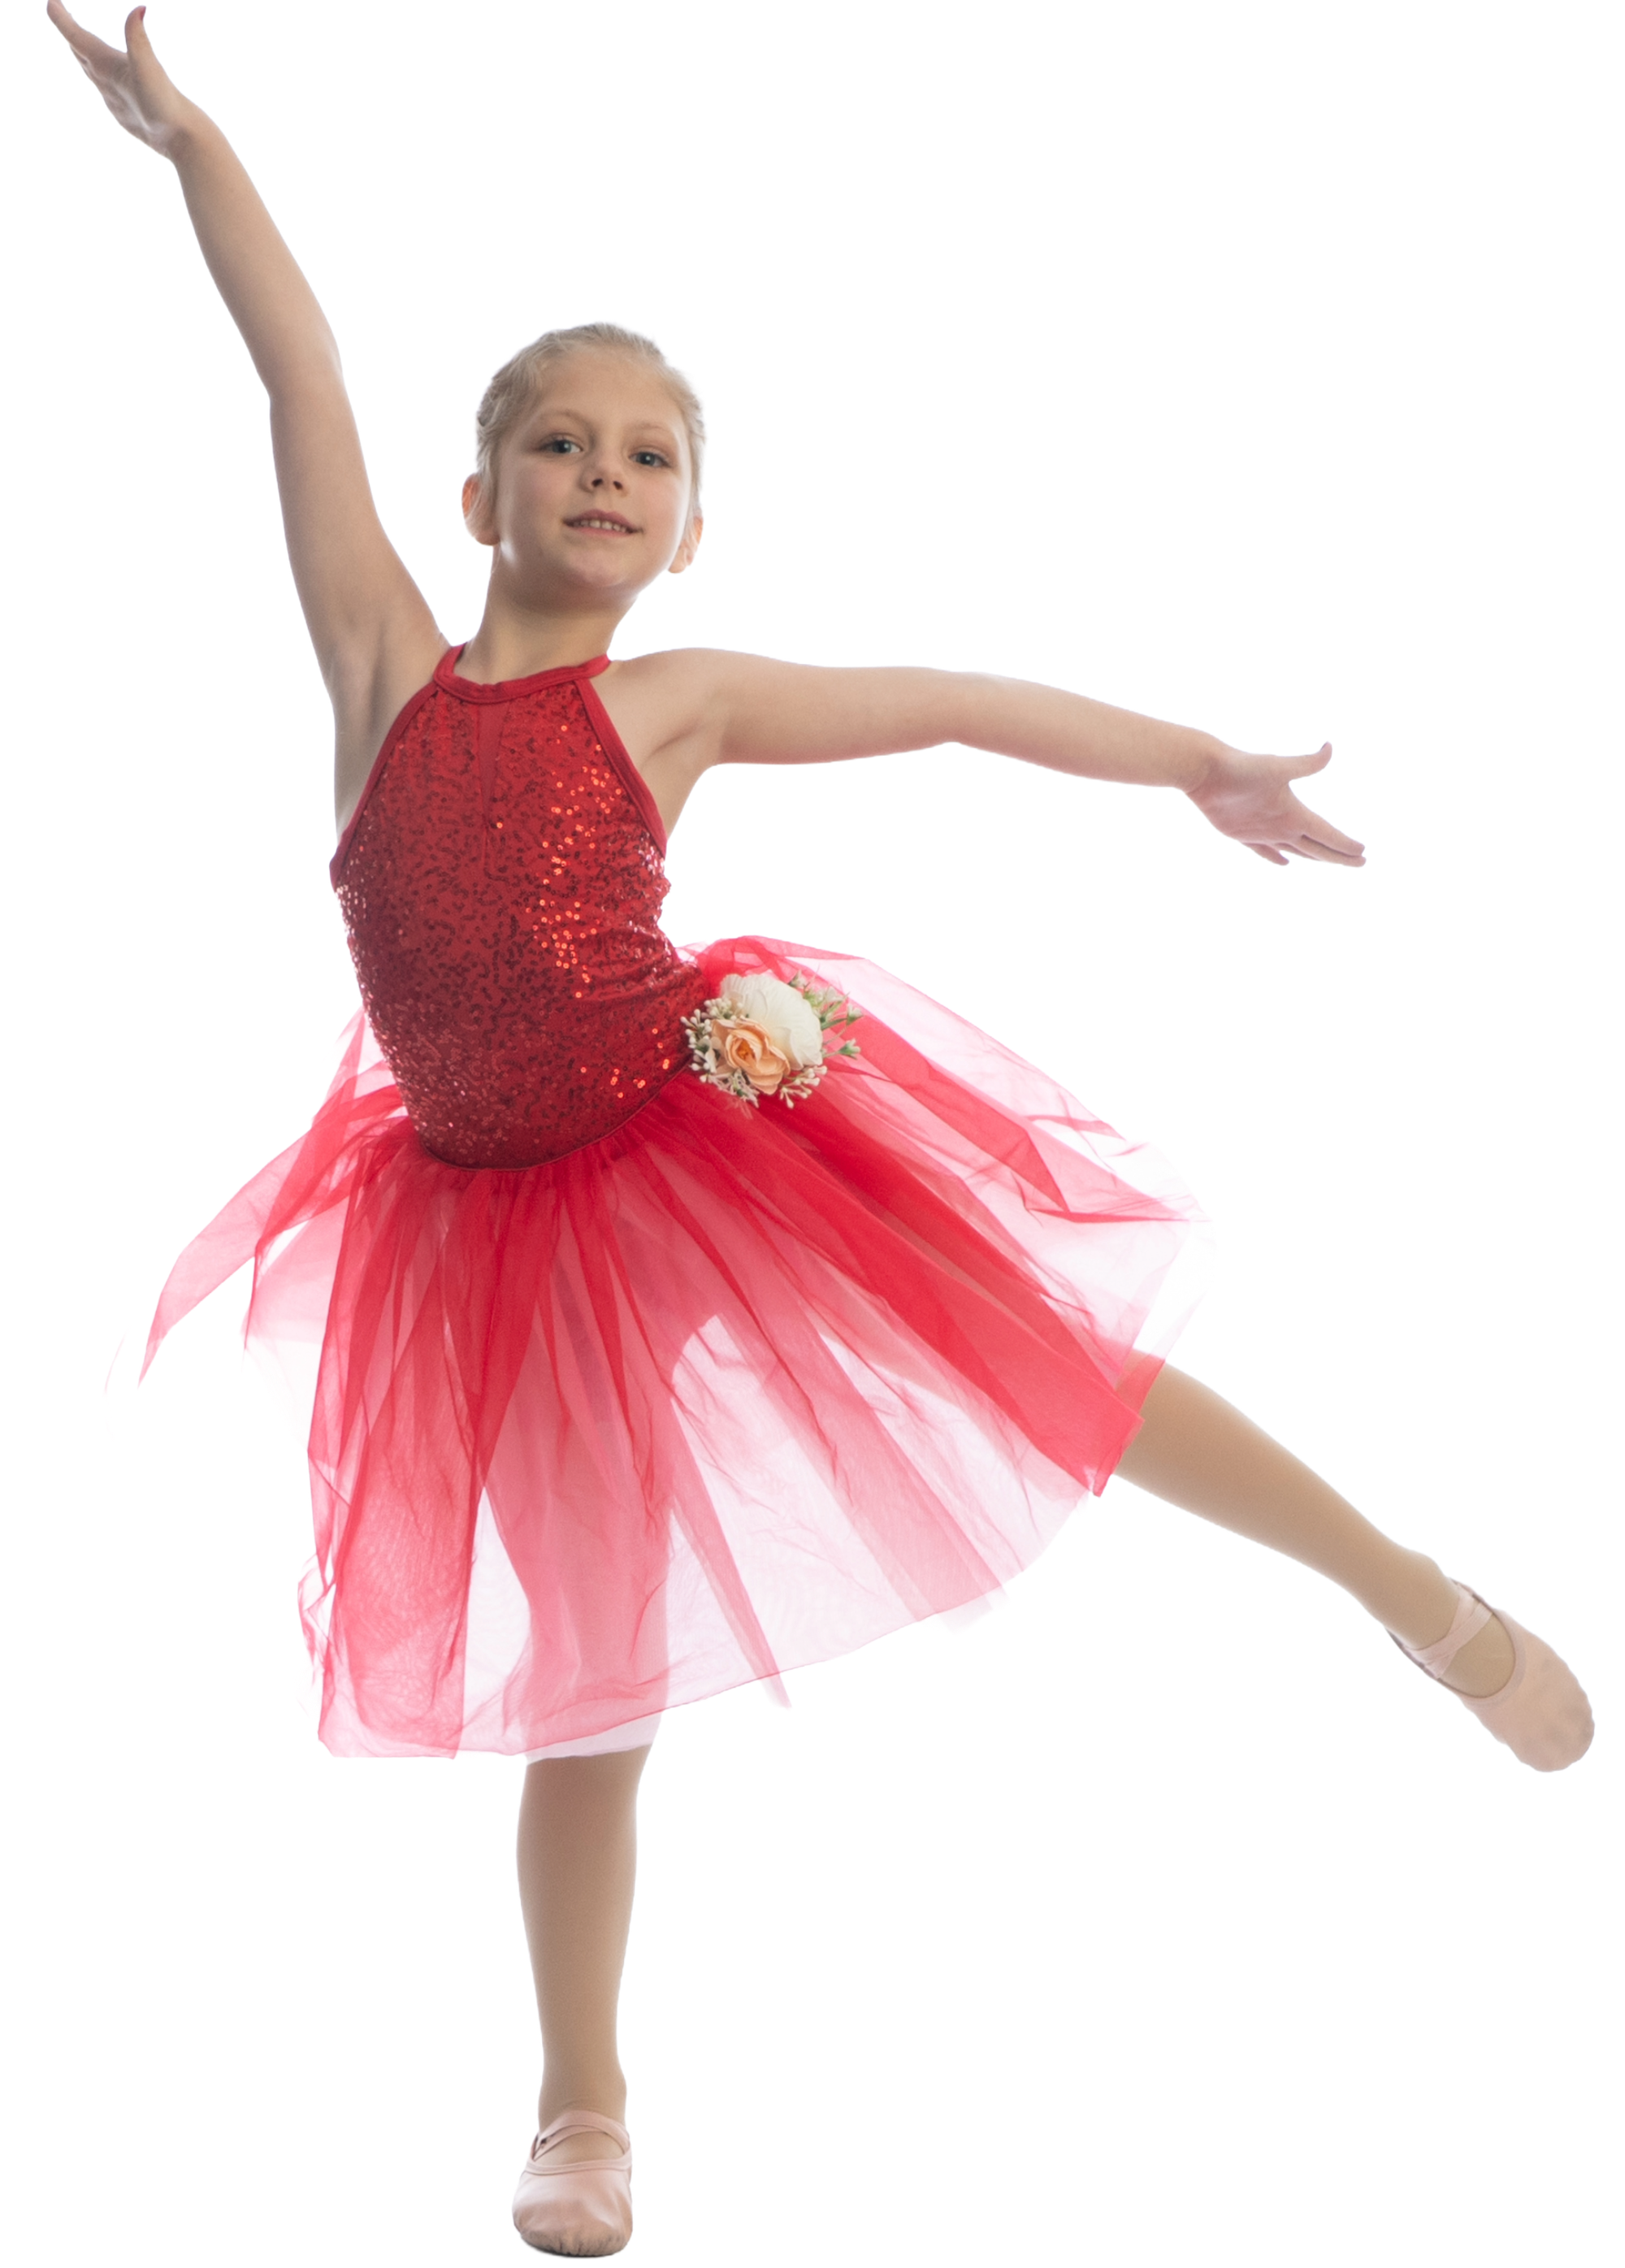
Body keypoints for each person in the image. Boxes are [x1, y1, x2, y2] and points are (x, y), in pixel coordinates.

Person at [57, 6, 1596, 2257]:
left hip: (702, 1149)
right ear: (482, 498)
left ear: (685, 523)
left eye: (650, 456)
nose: (606, 474)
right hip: (484, 1217)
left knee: (1066, 1369)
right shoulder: (386, 662)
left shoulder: (670, 699)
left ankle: (1414, 1594)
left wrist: (1188, 762)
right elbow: (297, 364)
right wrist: (192, 136)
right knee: (582, 1672)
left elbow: (950, 711)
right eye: (563, 442)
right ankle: (582, 2114)